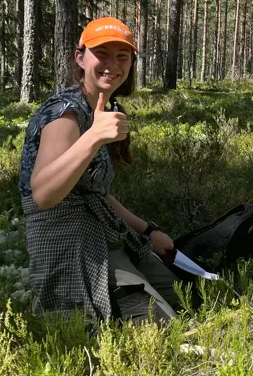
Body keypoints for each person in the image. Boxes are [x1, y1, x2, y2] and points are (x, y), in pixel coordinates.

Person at [18, 17, 182, 323]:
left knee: (183, 295)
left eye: (122, 56)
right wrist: (93, 137)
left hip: (103, 229)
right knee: (159, 324)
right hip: (66, 239)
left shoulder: (104, 108)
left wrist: (148, 231)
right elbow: (43, 195)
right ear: (80, 58)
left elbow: (98, 193)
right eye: (102, 54)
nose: (112, 65)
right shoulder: (65, 113)